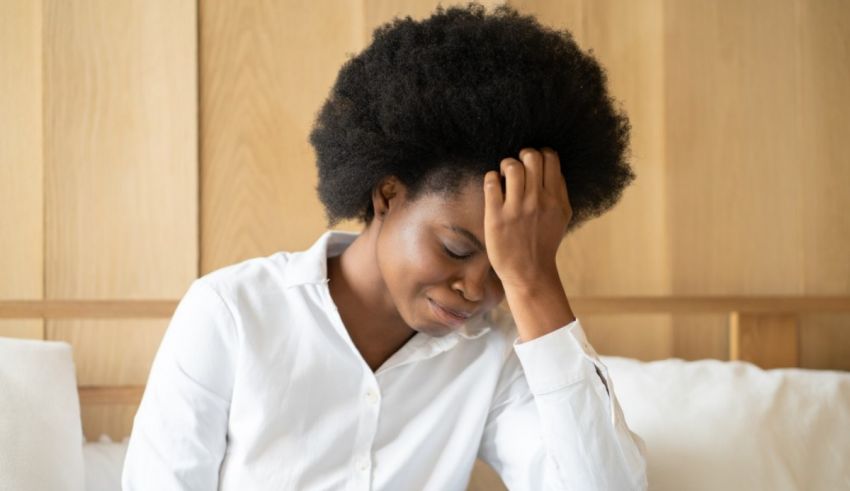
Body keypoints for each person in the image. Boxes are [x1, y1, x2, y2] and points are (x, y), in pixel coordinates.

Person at [122, 3, 648, 490]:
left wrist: (535, 283)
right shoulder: (231, 313)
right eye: (456, 248)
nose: (475, 290)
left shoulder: (495, 353)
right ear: (388, 195)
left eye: (504, 270)